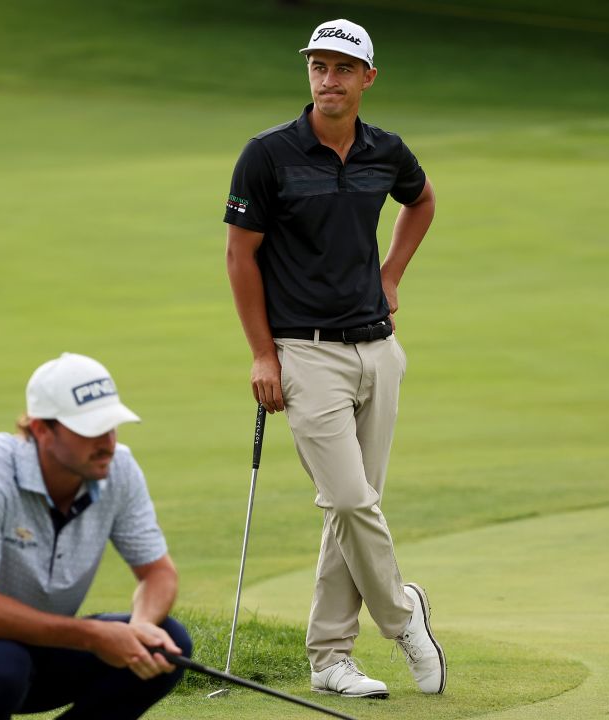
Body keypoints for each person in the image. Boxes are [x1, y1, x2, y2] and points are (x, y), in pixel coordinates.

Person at [223, 18, 445, 698]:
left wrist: (393, 273)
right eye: (319, 65)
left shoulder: (386, 151)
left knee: (350, 511)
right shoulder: (268, 155)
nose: (329, 78)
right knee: (349, 500)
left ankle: (328, 662)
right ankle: (403, 618)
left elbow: (422, 200)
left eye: (343, 67)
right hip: (305, 355)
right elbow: (240, 256)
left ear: (367, 78)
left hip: (378, 349)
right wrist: (263, 355)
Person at [0, 352, 190, 720]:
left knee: (165, 643)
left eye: (111, 427)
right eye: (91, 430)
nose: (108, 442)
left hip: (35, 650)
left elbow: (158, 573)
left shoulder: (118, 467)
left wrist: (140, 627)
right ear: (42, 429)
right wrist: (94, 635)